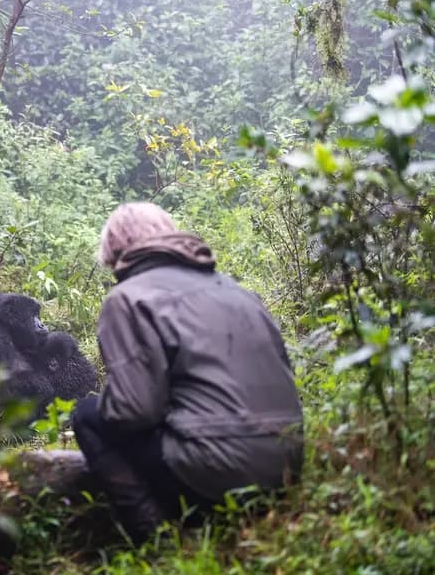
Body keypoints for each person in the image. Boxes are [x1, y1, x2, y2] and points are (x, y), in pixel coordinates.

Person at [73, 202, 303, 544]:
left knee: (88, 416)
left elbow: (134, 411)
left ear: (114, 252)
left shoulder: (128, 298)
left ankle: (160, 540)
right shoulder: (237, 291)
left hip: (220, 469)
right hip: (289, 463)